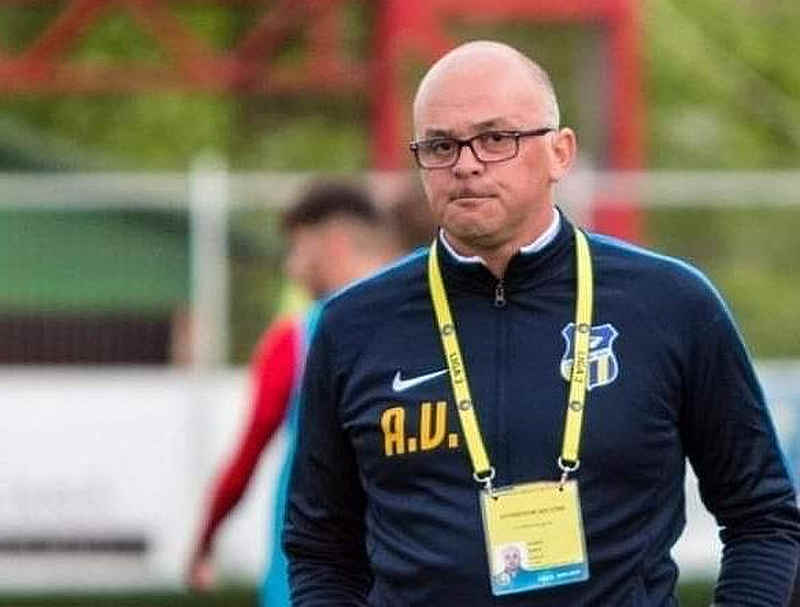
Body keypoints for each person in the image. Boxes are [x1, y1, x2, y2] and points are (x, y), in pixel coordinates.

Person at [283, 40, 800, 606]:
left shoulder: (672, 304)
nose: (466, 163)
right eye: (440, 145)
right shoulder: (352, 324)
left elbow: (763, 516)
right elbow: (319, 548)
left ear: (560, 152)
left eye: (495, 139)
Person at [186, 179, 406, 606]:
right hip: (411, 565)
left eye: (298, 249)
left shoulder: (297, 339)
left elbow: (248, 453)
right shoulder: (438, 322)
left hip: (312, 570)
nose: (291, 267)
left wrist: (205, 538)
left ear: (334, 243)